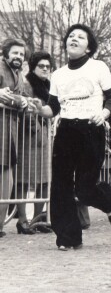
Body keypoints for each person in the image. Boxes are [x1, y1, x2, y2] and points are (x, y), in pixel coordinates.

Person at [34, 24, 111, 251]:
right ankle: (67, 237)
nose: (74, 39)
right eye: (71, 36)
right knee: (61, 185)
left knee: (84, 188)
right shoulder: (58, 74)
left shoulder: (98, 67)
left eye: (80, 37)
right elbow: (52, 108)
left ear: (88, 47)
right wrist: (39, 109)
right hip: (66, 132)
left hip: (91, 129)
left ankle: (108, 201)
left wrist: (103, 114)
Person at [16, 51, 54, 234]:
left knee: (44, 180)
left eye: (48, 66)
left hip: (45, 137)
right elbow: (28, 109)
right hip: (29, 137)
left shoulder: (48, 85)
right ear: (33, 67)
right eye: (41, 65)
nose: (45, 69)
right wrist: (37, 130)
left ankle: (38, 219)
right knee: (24, 180)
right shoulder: (27, 84)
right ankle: (22, 220)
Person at [0, 38, 28, 237]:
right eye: (15, 53)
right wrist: (18, 101)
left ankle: (0, 225)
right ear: (5, 54)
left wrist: (16, 100)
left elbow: (23, 101)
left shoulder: (18, 74)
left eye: (21, 54)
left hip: (10, 133)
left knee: (7, 181)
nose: (18, 57)